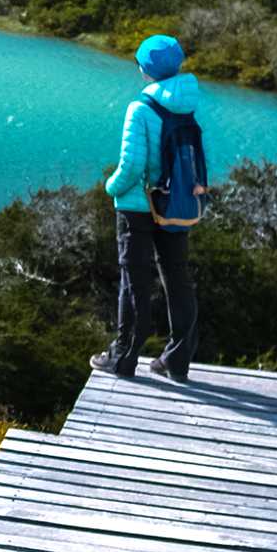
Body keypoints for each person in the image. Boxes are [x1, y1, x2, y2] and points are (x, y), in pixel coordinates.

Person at [91, 33, 204, 383]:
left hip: (138, 207)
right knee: (177, 277)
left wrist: (109, 187)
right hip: (175, 204)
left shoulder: (140, 108)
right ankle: (176, 359)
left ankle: (124, 358)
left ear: (145, 69)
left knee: (135, 281)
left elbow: (131, 166)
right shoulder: (187, 104)